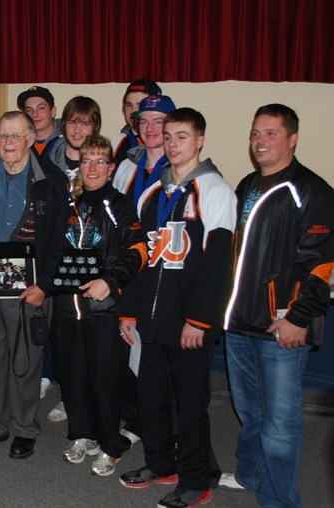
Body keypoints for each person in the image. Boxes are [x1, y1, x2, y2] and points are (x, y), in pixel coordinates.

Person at [118, 108, 235, 508]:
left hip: (189, 323)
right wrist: (129, 310)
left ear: (200, 141)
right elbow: (140, 257)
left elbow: (220, 264)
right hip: (151, 320)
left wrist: (200, 320)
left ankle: (195, 479)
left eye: (181, 136)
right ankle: (161, 463)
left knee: (190, 406)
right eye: (167, 136)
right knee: (151, 399)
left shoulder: (215, 191)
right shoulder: (155, 193)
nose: (171, 143)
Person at [221, 104, 334, 508]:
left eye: (270, 133)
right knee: (250, 413)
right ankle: (251, 475)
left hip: (280, 330)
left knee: (281, 425)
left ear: (293, 138)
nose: (260, 141)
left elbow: (323, 266)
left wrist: (298, 319)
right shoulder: (248, 184)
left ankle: (280, 500)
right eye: (255, 133)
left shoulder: (312, 192)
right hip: (239, 326)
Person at [0, 111, 68, 460]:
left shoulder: (51, 180)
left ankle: (24, 428)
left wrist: (45, 286)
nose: (8, 143)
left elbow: (60, 242)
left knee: (26, 362)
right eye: (3, 136)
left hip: (29, 288)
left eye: (16, 136)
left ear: (30, 139)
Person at [55, 136, 146, 478]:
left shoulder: (119, 205)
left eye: (99, 161)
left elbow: (139, 251)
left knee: (104, 381)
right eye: (86, 161)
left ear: (110, 167)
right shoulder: (69, 204)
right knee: (73, 377)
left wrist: (111, 279)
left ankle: (112, 444)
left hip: (104, 309)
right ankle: (82, 434)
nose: (92, 168)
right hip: (67, 307)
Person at [45, 95, 103, 423]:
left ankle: (94, 395)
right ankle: (69, 395)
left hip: (91, 260)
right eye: (72, 121)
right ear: (62, 124)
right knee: (62, 335)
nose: (78, 128)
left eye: (85, 122)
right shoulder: (48, 159)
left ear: (94, 125)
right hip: (57, 258)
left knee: (92, 335)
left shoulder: (102, 160)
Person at [112, 94, 175, 208]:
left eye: (158, 122)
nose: (149, 129)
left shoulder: (179, 169)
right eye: (144, 122)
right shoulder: (126, 167)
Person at [110, 78, 162, 168]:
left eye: (140, 105)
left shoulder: (168, 144)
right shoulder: (116, 144)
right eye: (129, 105)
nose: (133, 111)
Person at [18, 86, 61, 158]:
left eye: (41, 108)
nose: (34, 114)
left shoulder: (69, 140)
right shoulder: (18, 143)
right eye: (29, 110)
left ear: (53, 111)